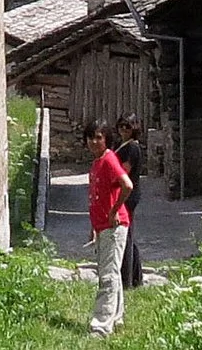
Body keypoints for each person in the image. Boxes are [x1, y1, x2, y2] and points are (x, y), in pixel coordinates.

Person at [85, 119, 130, 335]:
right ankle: (117, 317)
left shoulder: (109, 158)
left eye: (98, 137)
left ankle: (101, 325)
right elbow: (96, 197)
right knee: (112, 272)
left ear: (106, 139)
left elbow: (127, 185)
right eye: (90, 137)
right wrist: (93, 226)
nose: (94, 142)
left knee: (107, 276)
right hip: (102, 225)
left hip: (115, 224)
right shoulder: (96, 163)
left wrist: (114, 211)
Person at [113, 115, 146, 289]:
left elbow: (123, 171)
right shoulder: (121, 146)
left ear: (134, 128)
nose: (124, 129)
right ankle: (136, 277)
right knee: (128, 237)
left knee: (124, 237)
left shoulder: (132, 148)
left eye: (128, 126)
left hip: (128, 195)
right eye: (121, 125)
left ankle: (126, 279)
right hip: (125, 194)